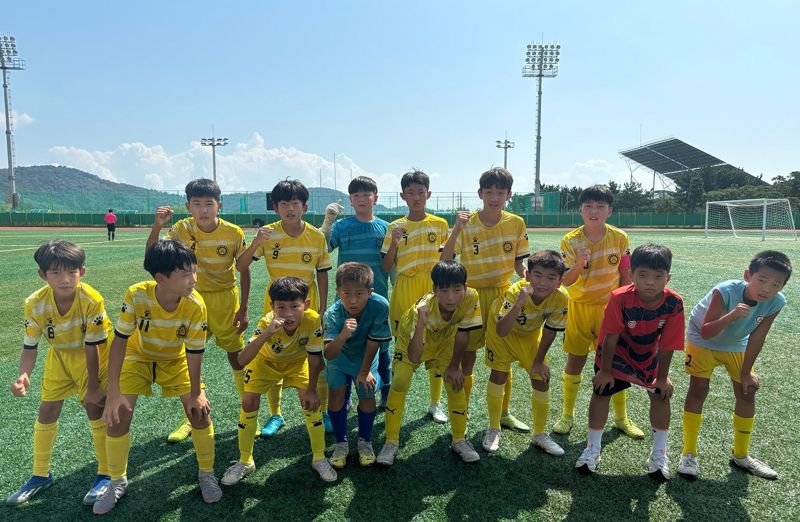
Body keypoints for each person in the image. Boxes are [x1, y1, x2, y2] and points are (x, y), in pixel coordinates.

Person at [95, 239, 221, 514]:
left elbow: (195, 351)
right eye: (185, 274)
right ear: (161, 278)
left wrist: (197, 391)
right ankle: (117, 481)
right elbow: (119, 341)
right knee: (117, 414)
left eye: (194, 271)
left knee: (199, 413)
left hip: (174, 359)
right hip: (137, 357)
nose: (193, 279)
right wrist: (114, 390)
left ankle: (206, 473)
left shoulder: (196, 305)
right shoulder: (136, 295)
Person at [6, 240, 112, 507]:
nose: (65, 279)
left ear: (82, 272)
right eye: (55, 273)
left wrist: (94, 388)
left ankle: (105, 473)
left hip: (95, 356)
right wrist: (23, 375)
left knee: (94, 407)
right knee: (47, 411)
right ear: (42, 275)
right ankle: (40, 474)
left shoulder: (91, 299)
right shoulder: (34, 303)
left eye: (71, 272)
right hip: (60, 357)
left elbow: (92, 346)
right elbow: (30, 346)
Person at [147, 178, 251, 444]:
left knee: (236, 355)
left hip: (225, 299)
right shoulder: (181, 229)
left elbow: (244, 269)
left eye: (208, 204)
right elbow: (152, 260)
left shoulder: (234, 232)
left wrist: (244, 307)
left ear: (219, 205)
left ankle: (248, 410)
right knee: (188, 357)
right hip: (191, 299)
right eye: (197, 204)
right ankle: (191, 415)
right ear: (188, 206)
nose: (203, 210)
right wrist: (157, 226)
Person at [678, 250, 791, 480]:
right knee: (698, 390)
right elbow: (707, 331)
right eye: (761, 280)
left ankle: (741, 455)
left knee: (747, 392)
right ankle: (688, 453)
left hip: (736, 343)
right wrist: (730, 316)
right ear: (748, 275)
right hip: (702, 338)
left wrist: (747, 371)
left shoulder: (776, 302)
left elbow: (758, 337)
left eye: (775, 284)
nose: (766, 289)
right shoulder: (726, 290)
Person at [575, 244, 684, 480]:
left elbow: (668, 344)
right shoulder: (619, 297)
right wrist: (604, 371)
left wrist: (662, 378)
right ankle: (592, 448)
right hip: (616, 354)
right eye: (643, 275)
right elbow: (610, 336)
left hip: (647, 354)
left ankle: (659, 454)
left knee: (661, 394)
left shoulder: (674, 303)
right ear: (632, 275)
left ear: (668, 277)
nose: (650, 282)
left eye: (658, 276)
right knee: (601, 390)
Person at [237, 179, 332, 437]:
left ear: (304, 206)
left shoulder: (316, 236)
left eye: (295, 203)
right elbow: (241, 265)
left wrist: (323, 308)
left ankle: (321, 409)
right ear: (276, 207)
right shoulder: (267, 234)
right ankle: (276, 414)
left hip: (307, 307)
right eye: (284, 204)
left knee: (315, 355)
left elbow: (322, 273)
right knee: (273, 355)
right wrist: (255, 243)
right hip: (276, 306)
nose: (290, 208)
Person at [221, 277, 337, 485]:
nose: (288, 313)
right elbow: (242, 359)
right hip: (265, 364)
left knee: (310, 402)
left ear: (306, 304)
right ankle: (245, 460)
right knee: (249, 402)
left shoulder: (312, 321)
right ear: (272, 306)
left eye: (295, 306)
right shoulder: (267, 322)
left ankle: (319, 457)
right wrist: (267, 333)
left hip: (296, 363)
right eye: (281, 307)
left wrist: (311, 390)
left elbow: (314, 359)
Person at [441, 166, 530, 431]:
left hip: (503, 293)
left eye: (500, 192)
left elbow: (518, 262)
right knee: (467, 354)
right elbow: (446, 259)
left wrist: (526, 275)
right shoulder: (467, 223)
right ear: (479, 193)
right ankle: (462, 411)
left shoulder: (516, 223)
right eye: (488, 191)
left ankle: (503, 413)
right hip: (471, 295)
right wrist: (457, 228)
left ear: (508, 195)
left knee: (503, 356)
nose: (494, 197)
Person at [555, 184, 642, 438]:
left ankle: (621, 418)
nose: (594, 211)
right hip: (580, 308)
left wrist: (626, 305)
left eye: (600, 206)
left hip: (610, 309)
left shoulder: (619, 237)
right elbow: (567, 281)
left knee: (614, 363)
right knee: (575, 360)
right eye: (589, 206)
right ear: (580, 210)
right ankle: (567, 415)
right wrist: (580, 263)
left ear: (609, 210)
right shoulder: (570, 240)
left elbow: (625, 273)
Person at [377, 260, 482, 466]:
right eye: (444, 290)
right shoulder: (421, 310)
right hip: (411, 340)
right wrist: (422, 322)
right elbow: (415, 356)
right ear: (434, 289)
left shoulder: (471, 297)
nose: (451, 297)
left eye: (457, 289)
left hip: (444, 341)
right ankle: (391, 442)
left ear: (465, 287)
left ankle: (459, 439)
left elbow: (463, 334)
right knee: (400, 382)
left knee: (455, 384)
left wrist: (453, 367)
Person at [482, 250, 569, 456]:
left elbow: (550, 331)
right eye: (537, 275)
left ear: (560, 281)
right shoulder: (516, 292)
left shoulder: (561, 298)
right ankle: (494, 428)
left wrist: (538, 361)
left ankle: (540, 434)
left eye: (551, 278)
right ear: (527, 276)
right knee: (499, 375)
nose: (543, 283)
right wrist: (520, 302)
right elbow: (501, 329)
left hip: (529, 334)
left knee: (540, 377)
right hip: (501, 331)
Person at [381, 170, 450, 424]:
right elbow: (386, 266)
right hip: (405, 287)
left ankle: (435, 402)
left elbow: (447, 259)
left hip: (432, 287)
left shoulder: (440, 224)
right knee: (403, 343)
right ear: (403, 196)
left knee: (435, 344)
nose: (416, 197)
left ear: (428, 194)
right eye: (411, 193)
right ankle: (398, 399)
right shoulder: (395, 227)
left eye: (421, 192)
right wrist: (395, 244)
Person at [320, 176, 392, 410]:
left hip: (376, 298)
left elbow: (390, 262)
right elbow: (323, 247)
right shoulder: (342, 226)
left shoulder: (385, 228)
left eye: (366, 195)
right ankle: (348, 394)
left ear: (376, 198)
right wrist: (328, 222)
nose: (362, 199)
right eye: (357, 195)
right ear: (351, 200)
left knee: (381, 346)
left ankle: (386, 393)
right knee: (348, 345)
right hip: (347, 299)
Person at [324, 263, 392, 469]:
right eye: (346, 293)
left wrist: (364, 372)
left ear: (370, 292)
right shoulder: (333, 315)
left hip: (365, 356)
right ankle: (341, 443)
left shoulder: (380, 305)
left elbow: (374, 341)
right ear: (337, 292)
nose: (353, 300)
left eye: (359, 293)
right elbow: (329, 353)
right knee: (336, 395)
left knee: (366, 390)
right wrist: (343, 335)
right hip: (340, 358)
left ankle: (365, 441)